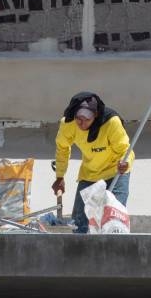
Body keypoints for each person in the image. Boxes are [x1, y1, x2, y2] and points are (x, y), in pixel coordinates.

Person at [51, 91, 133, 234]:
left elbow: (126, 151)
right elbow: (62, 148)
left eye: (87, 119)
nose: (82, 124)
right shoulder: (68, 123)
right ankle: (78, 253)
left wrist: (125, 163)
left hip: (116, 172)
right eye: (79, 119)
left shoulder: (111, 122)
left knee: (113, 221)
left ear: (95, 115)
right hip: (90, 173)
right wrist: (60, 176)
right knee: (79, 224)